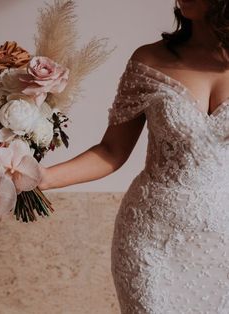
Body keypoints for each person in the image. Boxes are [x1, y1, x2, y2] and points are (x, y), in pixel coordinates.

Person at [38, 0, 229, 312]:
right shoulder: (150, 59)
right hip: (150, 240)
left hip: (223, 245)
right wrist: (41, 179)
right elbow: (111, 151)